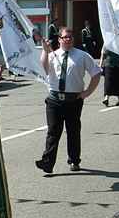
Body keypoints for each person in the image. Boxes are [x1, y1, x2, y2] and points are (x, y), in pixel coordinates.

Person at [35, 27, 101, 174]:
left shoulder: (82, 56)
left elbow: (96, 73)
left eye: (70, 37)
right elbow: (44, 69)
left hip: (73, 100)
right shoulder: (52, 55)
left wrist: (87, 92)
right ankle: (47, 163)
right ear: (59, 39)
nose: (68, 39)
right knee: (53, 131)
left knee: (73, 131)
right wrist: (45, 51)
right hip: (54, 100)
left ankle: (74, 160)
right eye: (65, 37)